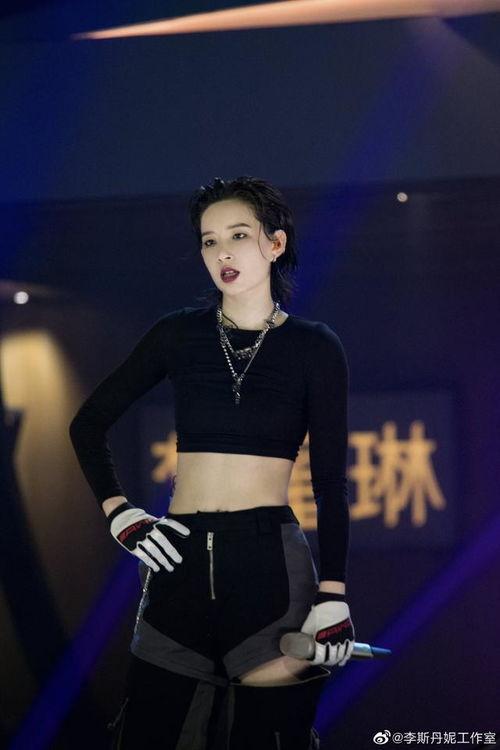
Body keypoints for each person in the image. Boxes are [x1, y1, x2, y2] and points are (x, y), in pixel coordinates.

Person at [69, 175, 355, 749]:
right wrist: (120, 512)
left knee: (269, 737)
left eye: (239, 235)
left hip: (268, 564)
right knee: (149, 734)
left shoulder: (314, 346)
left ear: (275, 243)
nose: (223, 252)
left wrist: (333, 594)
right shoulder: (177, 335)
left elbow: (329, 482)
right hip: (177, 559)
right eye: (209, 241)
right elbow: (88, 423)